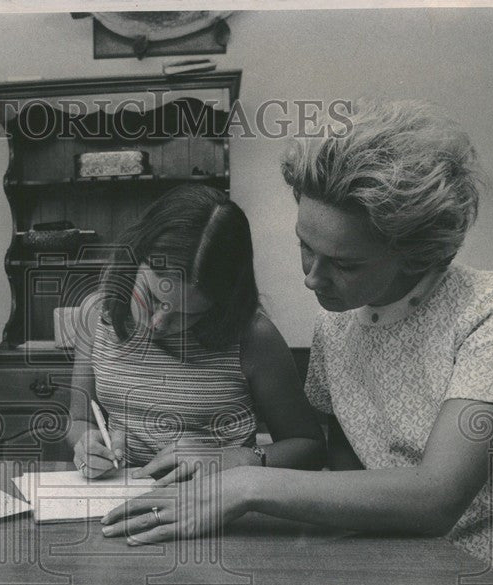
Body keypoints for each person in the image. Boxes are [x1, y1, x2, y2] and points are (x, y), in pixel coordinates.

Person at [102, 98, 493, 585]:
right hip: (427, 583)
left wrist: (248, 483)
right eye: (305, 246)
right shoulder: (336, 328)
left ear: (416, 252)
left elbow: (435, 497)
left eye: (344, 263)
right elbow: (350, 481)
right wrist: (242, 463)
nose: (312, 278)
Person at [68, 184, 325, 484]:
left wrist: (236, 459)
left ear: (221, 304)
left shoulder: (254, 337)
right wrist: (86, 444)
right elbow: (80, 420)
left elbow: (310, 448)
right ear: (135, 258)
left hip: (218, 511)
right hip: (121, 502)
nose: (159, 323)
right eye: (151, 298)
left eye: (186, 315)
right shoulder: (98, 314)